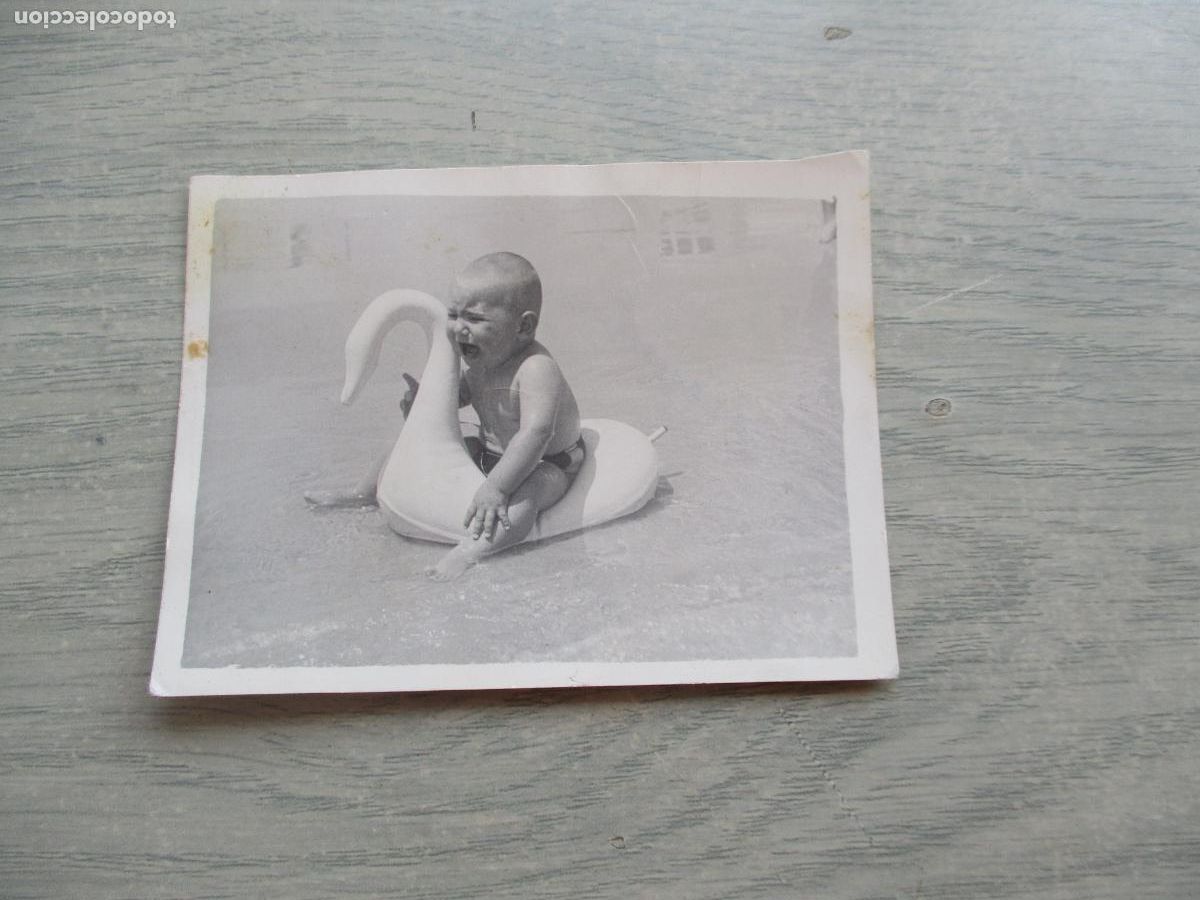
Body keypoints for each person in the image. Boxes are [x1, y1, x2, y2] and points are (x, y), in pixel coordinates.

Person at [307, 252, 583, 581]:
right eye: (453, 315)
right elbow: (459, 400)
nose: (458, 329)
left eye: (475, 319)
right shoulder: (482, 364)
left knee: (526, 498)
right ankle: (362, 493)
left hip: (548, 463)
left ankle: (471, 552)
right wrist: (422, 403)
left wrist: (496, 488)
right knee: (402, 446)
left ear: (523, 327)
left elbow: (537, 433)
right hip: (493, 454)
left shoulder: (536, 368)